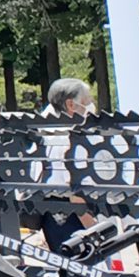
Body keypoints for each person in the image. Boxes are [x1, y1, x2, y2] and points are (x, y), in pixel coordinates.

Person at [41, 77, 98, 251]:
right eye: (87, 101)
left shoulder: (46, 134)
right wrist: (93, 227)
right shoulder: (70, 140)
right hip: (75, 217)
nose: (91, 105)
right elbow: (74, 190)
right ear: (71, 105)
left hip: (52, 214)